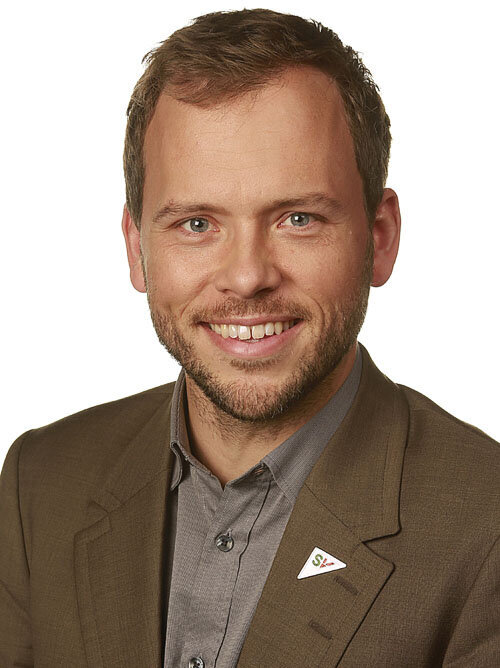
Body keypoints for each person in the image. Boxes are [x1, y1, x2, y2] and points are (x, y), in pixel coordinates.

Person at [1, 7, 499, 667]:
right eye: (196, 224)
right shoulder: (39, 483)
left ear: (379, 238)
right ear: (136, 248)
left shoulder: (485, 527)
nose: (246, 276)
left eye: (298, 218)